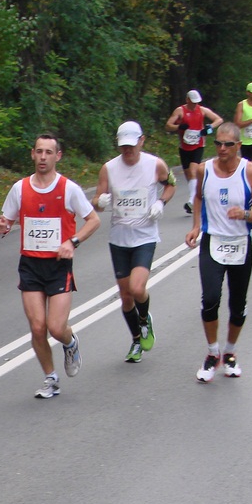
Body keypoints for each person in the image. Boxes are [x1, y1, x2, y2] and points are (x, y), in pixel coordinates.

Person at [0, 133, 100, 398]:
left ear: (58, 156)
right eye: (39, 152)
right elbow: (6, 220)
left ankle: (70, 341)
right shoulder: (20, 188)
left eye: (48, 152)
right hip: (30, 265)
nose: (43, 157)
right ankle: (50, 379)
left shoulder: (69, 189)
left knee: (55, 327)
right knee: (38, 327)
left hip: (58, 265)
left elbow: (93, 220)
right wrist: (2, 227)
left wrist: (72, 242)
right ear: (32, 154)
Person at [184, 122, 252, 382]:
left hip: (241, 243)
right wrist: (196, 225)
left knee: (237, 304)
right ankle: (212, 353)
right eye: (218, 144)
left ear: (238, 146)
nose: (221, 149)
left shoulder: (250, 171)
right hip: (213, 242)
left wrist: (244, 213)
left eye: (227, 145)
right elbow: (198, 197)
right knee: (210, 298)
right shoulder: (204, 170)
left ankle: (230, 352)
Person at [93, 121, 176, 363]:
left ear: (142, 141)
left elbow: (171, 184)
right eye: (123, 147)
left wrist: (161, 203)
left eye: (131, 145)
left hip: (145, 236)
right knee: (125, 295)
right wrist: (101, 201)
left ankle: (144, 320)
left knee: (137, 289)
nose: (127, 151)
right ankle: (136, 340)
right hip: (119, 238)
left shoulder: (155, 164)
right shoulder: (108, 168)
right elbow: (96, 199)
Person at [165, 90, 224, 214]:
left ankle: (192, 202)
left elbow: (218, 120)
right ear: (187, 100)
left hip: (198, 145)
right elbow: (168, 125)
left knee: (193, 171)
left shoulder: (202, 110)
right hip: (184, 147)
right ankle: (199, 195)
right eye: (192, 102)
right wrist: (178, 127)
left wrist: (209, 128)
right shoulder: (180, 111)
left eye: (196, 102)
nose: (194, 105)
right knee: (189, 175)